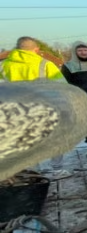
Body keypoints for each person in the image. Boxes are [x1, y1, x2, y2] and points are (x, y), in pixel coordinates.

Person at [1, 36, 72, 178]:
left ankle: (33, 170)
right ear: (36, 49)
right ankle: (57, 170)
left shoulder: (3, 66)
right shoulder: (45, 64)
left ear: (17, 49)